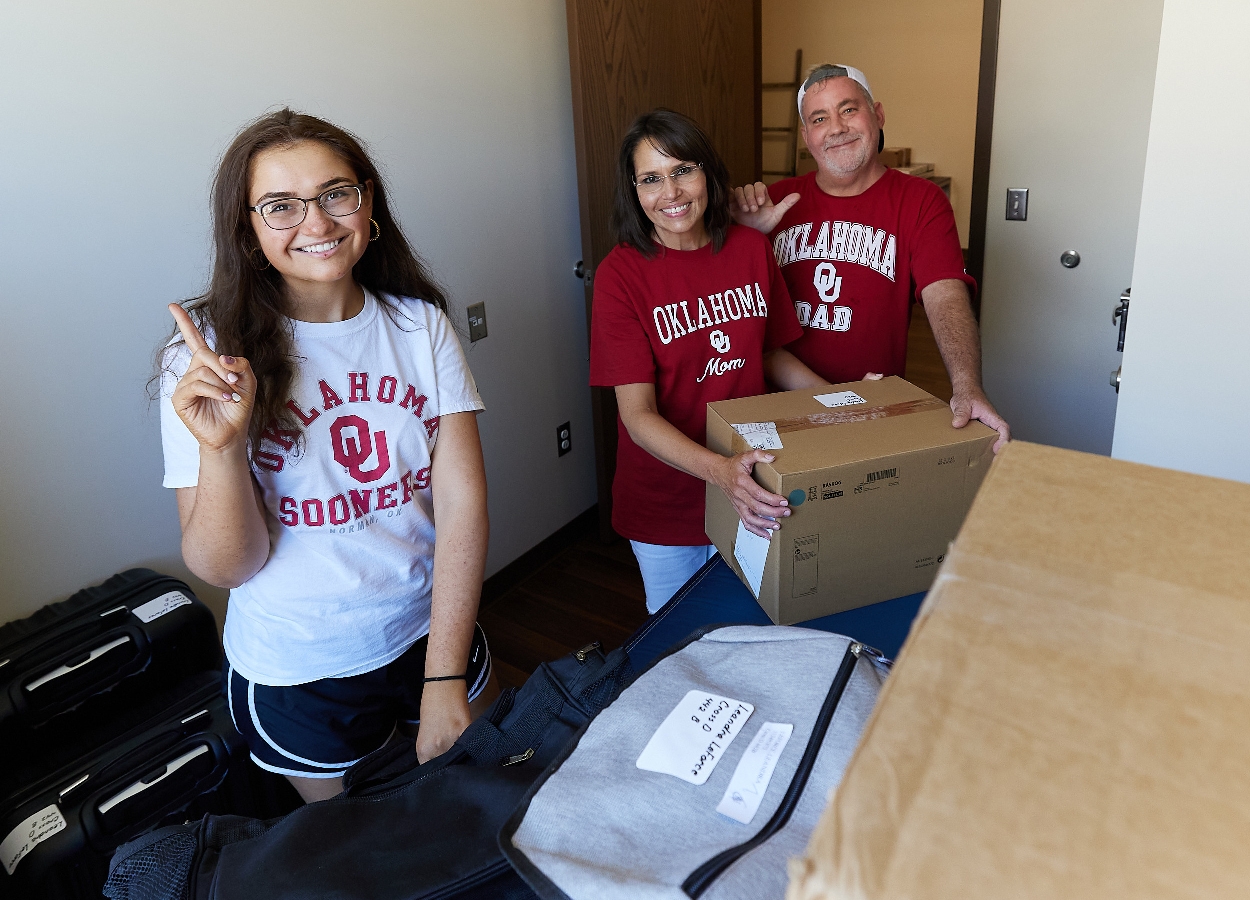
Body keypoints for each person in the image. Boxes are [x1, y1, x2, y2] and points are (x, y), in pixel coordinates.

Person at [158, 110, 498, 802]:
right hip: (299, 672)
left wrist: (442, 679)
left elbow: (463, 506)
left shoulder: (418, 325)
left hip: (431, 630)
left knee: (491, 805)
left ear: (367, 202)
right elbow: (229, 565)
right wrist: (222, 449)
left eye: (336, 193)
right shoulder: (206, 360)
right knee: (367, 855)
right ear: (248, 228)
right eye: (280, 206)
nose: (316, 223)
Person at [589, 109, 828, 614]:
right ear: (634, 192)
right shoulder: (620, 276)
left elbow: (770, 353)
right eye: (651, 179)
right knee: (687, 645)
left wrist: (845, 402)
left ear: (708, 173)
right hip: (668, 502)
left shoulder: (749, 249)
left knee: (759, 625)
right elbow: (637, 415)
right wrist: (720, 472)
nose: (670, 192)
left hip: (754, 482)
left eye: (682, 170)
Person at [732, 64, 1010, 451]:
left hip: (873, 408)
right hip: (775, 408)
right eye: (819, 118)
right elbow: (733, 313)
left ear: (877, 115)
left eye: (848, 109)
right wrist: (743, 238)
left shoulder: (921, 201)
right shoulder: (771, 205)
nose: (836, 127)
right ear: (806, 136)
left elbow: (945, 295)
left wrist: (967, 387)